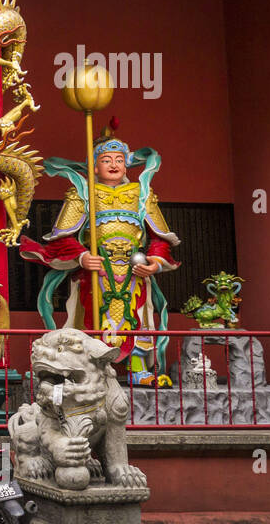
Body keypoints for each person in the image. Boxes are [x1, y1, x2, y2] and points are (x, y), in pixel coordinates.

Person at [18, 125, 180, 385]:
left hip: (133, 272)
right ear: (94, 166)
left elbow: (161, 238)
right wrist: (82, 257)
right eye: (106, 160)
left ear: (127, 165)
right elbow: (62, 238)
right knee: (93, 320)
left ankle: (139, 370)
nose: (114, 165)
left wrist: (154, 263)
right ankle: (89, 371)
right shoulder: (82, 194)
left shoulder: (142, 195)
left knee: (138, 316)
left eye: (119, 160)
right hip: (96, 271)